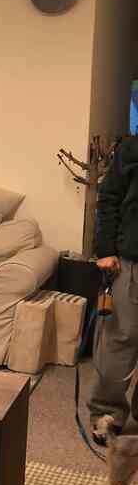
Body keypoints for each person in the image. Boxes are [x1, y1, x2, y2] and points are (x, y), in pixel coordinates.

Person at [88, 136, 138, 444]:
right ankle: (107, 414)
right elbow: (108, 199)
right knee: (118, 342)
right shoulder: (132, 149)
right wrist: (105, 249)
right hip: (131, 263)